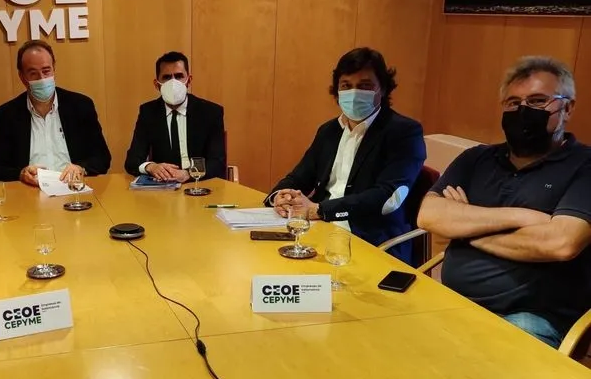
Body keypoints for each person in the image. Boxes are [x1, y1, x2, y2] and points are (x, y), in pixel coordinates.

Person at [417, 56, 591, 348]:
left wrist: (465, 227)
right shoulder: (476, 159)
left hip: (529, 318)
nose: (523, 110)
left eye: (537, 101)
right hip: (449, 300)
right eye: (513, 102)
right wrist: (521, 217)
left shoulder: (584, 166)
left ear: (567, 108)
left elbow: (561, 243)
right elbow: (429, 215)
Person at [264, 47, 426, 264]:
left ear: (383, 89)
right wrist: (280, 196)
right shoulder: (329, 131)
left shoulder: (404, 132)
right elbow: (300, 176)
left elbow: (388, 197)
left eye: (365, 86)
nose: (354, 93)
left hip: (370, 241)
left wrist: (320, 210)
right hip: (319, 232)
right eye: (346, 86)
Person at [0, 40, 111, 186]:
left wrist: (81, 168)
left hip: (74, 189)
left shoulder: (81, 106)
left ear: (54, 69)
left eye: (46, 71)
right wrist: (21, 174)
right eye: (33, 73)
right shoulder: (7, 114)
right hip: (31, 191)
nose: (42, 78)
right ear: (22, 77)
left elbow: (102, 158)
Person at [124, 51, 225, 182]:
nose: (173, 82)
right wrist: (150, 166)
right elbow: (132, 161)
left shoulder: (210, 112)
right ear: (157, 84)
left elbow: (217, 162)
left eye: (179, 76)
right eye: (166, 77)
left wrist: (188, 174)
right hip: (164, 185)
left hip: (200, 184)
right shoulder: (148, 112)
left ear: (189, 80)